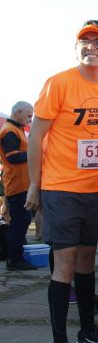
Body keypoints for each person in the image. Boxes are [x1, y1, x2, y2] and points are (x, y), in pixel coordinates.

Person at [27, 20, 98, 343]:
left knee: (88, 261)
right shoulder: (59, 83)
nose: (91, 46)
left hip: (94, 188)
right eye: (84, 40)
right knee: (65, 266)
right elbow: (35, 138)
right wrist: (36, 186)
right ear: (76, 48)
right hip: (60, 188)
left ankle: (87, 332)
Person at [0, 101, 36, 270]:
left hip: (20, 182)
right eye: (28, 116)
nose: (30, 119)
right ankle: (15, 258)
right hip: (16, 182)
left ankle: (16, 256)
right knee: (20, 221)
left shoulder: (15, 129)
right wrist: (34, 153)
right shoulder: (10, 131)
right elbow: (12, 156)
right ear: (18, 113)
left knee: (21, 220)